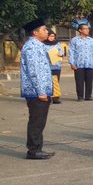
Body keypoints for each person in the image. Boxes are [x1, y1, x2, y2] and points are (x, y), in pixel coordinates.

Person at [20, 19, 54, 160]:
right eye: (44, 29)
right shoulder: (32, 47)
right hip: (36, 92)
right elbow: (35, 72)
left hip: (42, 90)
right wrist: (41, 91)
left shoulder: (39, 45)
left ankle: (37, 148)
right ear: (35, 32)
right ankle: (33, 150)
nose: (47, 31)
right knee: (36, 121)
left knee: (40, 121)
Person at [68, 22, 93, 101]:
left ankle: (88, 96)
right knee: (79, 81)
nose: (87, 30)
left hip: (90, 63)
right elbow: (71, 52)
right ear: (80, 30)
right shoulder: (74, 40)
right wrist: (72, 63)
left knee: (89, 81)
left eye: (88, 29)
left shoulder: (91, 40)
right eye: (85, 29)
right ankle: (80, 96)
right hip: (79, 64)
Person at [44, 31, 65, 104]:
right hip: (46, 66)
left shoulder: (57, 43)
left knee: (56, 82)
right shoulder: (42, 44)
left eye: (53, 36)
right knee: (47, 82)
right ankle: (48, 98)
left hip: (56, 65)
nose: (52, 38)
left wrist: (60, 54)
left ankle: (56, 98)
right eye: (50, 36)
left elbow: (62, 52)